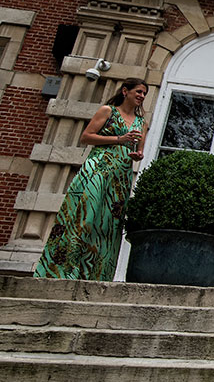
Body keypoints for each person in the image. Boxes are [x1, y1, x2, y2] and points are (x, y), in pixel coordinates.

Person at [35, 78, 148, 281]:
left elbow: (139, 149)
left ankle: (97, 275)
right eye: (138, 91)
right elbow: (86, 137)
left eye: (144, 94)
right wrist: (118, 140)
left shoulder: (141, 122)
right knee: (84, 218)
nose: (141, 96)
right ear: (125, 91)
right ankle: (63, 270)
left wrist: (137, 154)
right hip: (97, 170)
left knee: (107, 224)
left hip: (120, 176)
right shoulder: (108, 111)